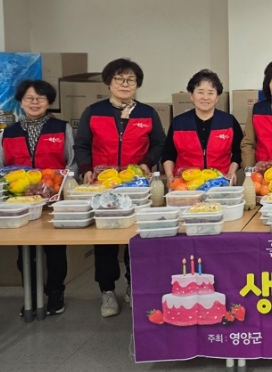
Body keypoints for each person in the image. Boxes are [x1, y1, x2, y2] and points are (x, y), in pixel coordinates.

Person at [73, 58, 165, 318]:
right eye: (119, 79)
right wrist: (86, 168)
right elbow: (81, 145)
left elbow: (159, 143)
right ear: (109, 82)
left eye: (131, 80)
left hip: (136, 186)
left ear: (137, 84)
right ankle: (107, 290)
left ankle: (134, 286)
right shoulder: (94, 111)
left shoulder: (147, 113)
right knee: (105, 240)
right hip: (103, 186)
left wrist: (147, 163)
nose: (125, 84)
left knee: (136, 238)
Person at [0, 80, 75, 316]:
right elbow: (2, 167)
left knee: (55, 252)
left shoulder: (61, 128)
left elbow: (72, 162)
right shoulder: (8, 132)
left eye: (40, 98)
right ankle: (31, 295)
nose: (35, 103)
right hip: (21, 203)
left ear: (48, 102)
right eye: (29, 98)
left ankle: (56, 292)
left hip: (54, 201)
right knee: (25, 253)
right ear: (21, 102)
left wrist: (60, 185)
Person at [162, 70, 243, 184]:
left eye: (210, 93)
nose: (205, 97)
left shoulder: (229, 121)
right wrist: (170, 176)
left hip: (220, 182)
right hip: (186, 184)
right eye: (200, 92)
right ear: (191, 95)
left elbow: (239, 152)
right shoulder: (178, 123)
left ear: (217, 97)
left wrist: (232, 171)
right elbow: (168, 155)